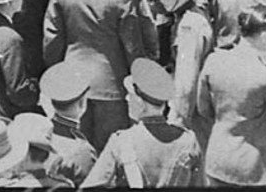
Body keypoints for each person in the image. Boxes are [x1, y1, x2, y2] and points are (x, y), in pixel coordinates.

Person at [43, 0, 151, 151]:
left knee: (76, 148)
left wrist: (54, 70)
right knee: (110, 152)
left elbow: (52, 36)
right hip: (112, 86)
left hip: (73, 81)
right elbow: (132, 47)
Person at [198, 7, 266, 185]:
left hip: (218, 160)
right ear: (264, 36)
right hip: (254, 170)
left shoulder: (213, 61)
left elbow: (204, 109)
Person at [82, 57, 202, 187]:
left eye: (130, 95)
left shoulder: (121, 141)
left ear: (139, 102)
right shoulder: (189, 141)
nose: (127, 98)